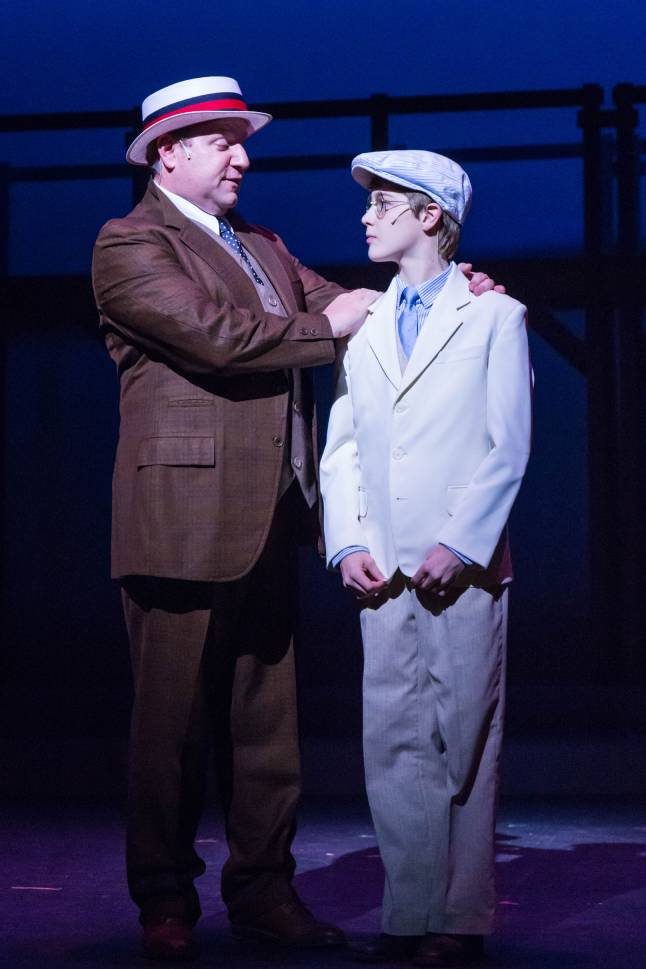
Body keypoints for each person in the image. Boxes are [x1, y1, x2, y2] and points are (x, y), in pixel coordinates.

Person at [92, 76, 499, 962]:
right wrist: (334, 323)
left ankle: (265, 891)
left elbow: (359, 306)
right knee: (170, 729)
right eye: (224, 142)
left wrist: (445, 289)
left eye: (243, 142)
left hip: (272, 515)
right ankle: (165, 898)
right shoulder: (129, 243)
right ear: (169, 154)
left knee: (266, 731)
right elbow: (217, 337)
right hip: (179, 517)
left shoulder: (263, 244)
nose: (243, 157)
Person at [320, 150, 532, 968]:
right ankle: (408, 912)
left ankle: (461, 916)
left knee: (465, 735)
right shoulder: (365, 323)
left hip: (459, 565)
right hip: (382, 569)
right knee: (393, 741)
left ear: (430, 216)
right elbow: (343, 447)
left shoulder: (494, 316)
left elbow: (507, 446)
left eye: (383, 205)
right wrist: (348, 540)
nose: (366, 217)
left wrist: (463, 540)